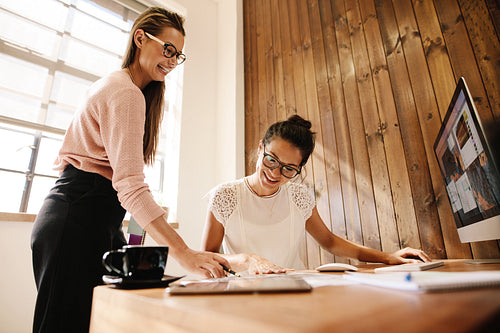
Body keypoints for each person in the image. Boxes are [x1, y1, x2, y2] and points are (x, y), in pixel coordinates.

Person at [31, 7, 229, 333]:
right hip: (77, 217)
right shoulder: (126, 93)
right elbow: (130, 186)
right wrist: (184, 253)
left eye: (178, 55)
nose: (172, 61)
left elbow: (122, 185)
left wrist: (133, 240)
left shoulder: (124, 89)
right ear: (140, 38)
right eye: (167, 50)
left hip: (85, 216)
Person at [202, 115, 431, 274]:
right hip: (243, 293)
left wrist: (388, 256)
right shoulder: (226, 196)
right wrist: (247, 259)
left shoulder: (298, 196)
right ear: (261, 147)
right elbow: (207, 257)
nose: (275, 173)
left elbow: (329, 241)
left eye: (289, 168)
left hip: (295, 288)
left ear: (299, 168)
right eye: (271, 159)